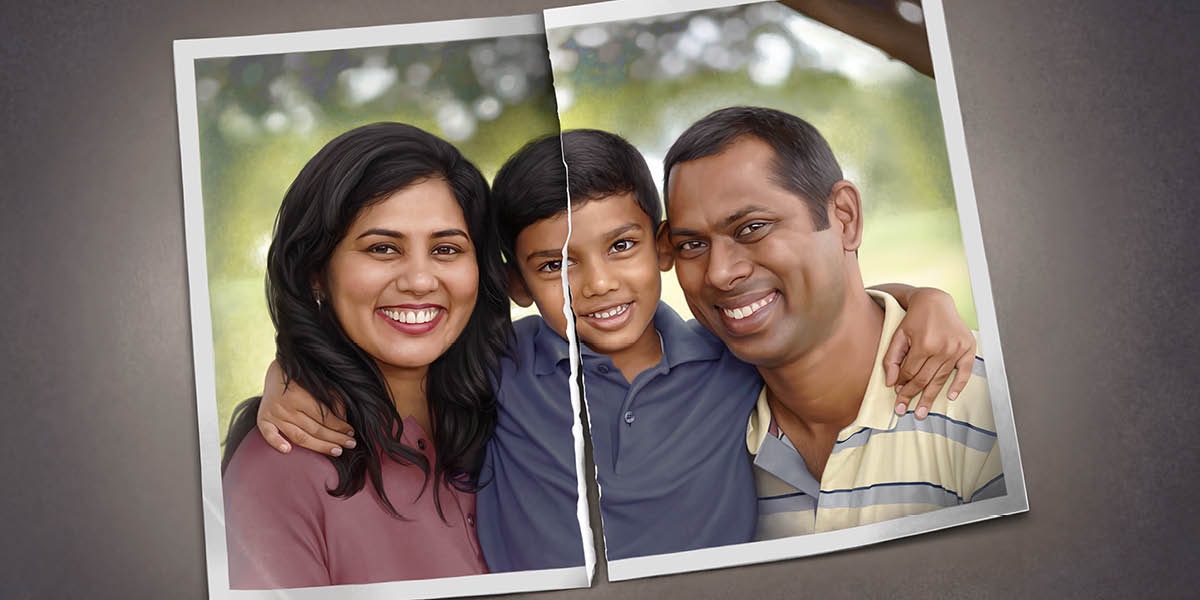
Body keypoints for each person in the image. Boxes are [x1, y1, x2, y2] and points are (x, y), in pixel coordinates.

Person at [252, 127, 979, 565]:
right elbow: (390, 346)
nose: (596, 285)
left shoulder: (732, 364)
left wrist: (923, 301)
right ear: (513, 283)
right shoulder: (503, 365)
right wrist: (292, 372)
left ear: (663, 247)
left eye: (622, 246)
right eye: (553, 264)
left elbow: (812, 310)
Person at [660, 106, 1004, 538]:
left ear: (844, 217)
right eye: (691, 244)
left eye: (752, 228)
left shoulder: (991, 402)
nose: (719, 273)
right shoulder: (702, 422)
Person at [220, 122, 511, 588]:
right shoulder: (277, 471)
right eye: (382, 248)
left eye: (446, 249)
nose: (419, 280)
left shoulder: (528, 414)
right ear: (316, 272)